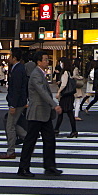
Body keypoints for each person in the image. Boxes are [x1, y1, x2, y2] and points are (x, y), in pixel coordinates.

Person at [18, 50, 63, 178]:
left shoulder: (41, 74)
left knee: (49, 140)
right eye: (45, 59)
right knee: (30, 141)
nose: (47, 61)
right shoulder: (36, 74)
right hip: (37, 112)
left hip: (44, 113)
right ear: (38, 61)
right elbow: (42, 92)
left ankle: (50, 166)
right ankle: (23, 168)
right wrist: (55, 105)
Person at [0, 48, 28, 160]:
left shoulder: (17, 69)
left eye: (10, 55)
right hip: (20, 101)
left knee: (10, 126)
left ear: (15, 57)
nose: (9, 57)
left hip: (17, 102)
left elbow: (16, 88)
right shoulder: (19, 68)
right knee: (12, 123)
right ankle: (27, 139)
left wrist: (12, 105)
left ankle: (11, 151)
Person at [54, 57, 78, 138]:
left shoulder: (65, 72)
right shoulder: (69, 72)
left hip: (65, 96)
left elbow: (64, 84)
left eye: (61, 62)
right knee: (68, 113)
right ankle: (73, 131)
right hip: (70, 95)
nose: (61, 64)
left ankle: (57, 130)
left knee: (64, 113)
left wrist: (58, 92)